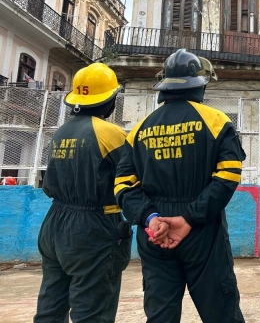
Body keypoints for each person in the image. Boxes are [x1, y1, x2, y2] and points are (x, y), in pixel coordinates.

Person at [115, 49, 245, 323]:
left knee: (160, 315)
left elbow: (124, 184)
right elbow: (228, 176)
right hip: (202, 230)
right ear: (201, 84)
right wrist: (188, 217)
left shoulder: (139, 129)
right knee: (221, 312)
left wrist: (151, 219)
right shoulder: (217, 122)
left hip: (156, 233)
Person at [34, 63, 131, 323]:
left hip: (54, 224)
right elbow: (136, 178)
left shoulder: (60, 133)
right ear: (111, 99)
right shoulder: (112, 134)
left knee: (50, 307)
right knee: (92, 312)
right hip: (92, 230)